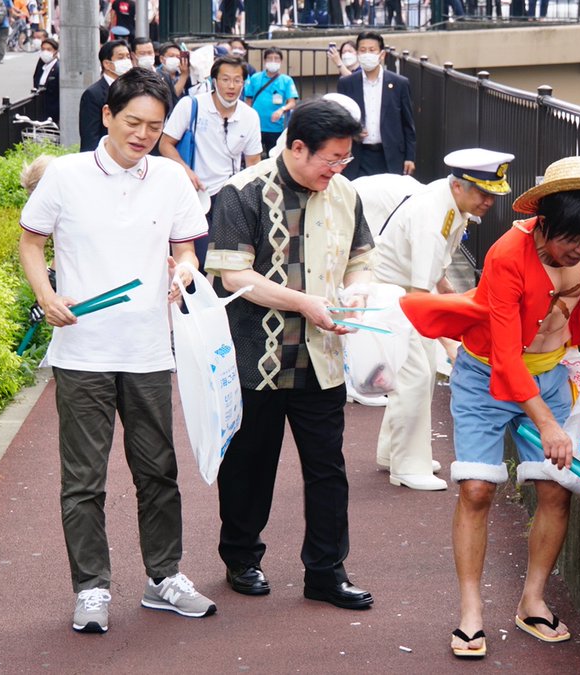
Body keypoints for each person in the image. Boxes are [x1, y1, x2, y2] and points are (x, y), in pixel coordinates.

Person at [400, 156, 580, 658]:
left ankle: (532, 600)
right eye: (572, 239)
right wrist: (549, 426)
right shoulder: (508, 254)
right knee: (477, 488)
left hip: (546, 375)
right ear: (545, 222)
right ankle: (470, 611)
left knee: (554, 489)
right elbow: (504, 355)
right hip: (484, 373)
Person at [18, 68, 216, 636]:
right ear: (107, 115)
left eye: (154, 126)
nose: (143, 135)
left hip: (151, 349)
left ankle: (164, 578)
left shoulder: (173, 181)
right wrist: (46, 294)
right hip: (82, 350)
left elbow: (186, 251)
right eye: (133, 122)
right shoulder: (66, 175)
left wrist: (183, 271)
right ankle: (92, 588)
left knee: (159, 471)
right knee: (83, 480)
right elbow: (31, 241)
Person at [203, 99, 376, 611]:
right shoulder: (243, 192)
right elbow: (233, 276)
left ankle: (326, 570)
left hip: (322, 355)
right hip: (256, 357)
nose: (339, 168)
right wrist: (305, 303)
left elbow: (362, 257)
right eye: (332, 159)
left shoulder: (345, 193)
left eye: (345, 159)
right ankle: (240, 558)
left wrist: (359, 291)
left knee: (328, 469)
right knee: (249, 466)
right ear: (296, 147)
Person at [372, 148, 514, 491]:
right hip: (394, 294)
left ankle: (394, 452)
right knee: (415, 375)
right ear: (459, 186)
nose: (488, 202)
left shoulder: (448, 202)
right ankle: (407, 466)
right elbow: (422, 297)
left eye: (493, 195)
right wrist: (453, 343)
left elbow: (438, 275)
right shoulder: (433, 218)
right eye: (482, 193)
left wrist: (453, 301)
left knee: (411, 373)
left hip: (402, 291)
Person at [158, 55, 261, 255]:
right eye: (225, 79)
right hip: (194, 193)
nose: (231, 86)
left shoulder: (250, 116)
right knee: (198, 256)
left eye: (237, 80)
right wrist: (185, 170)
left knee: (228, 257)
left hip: (230, 197)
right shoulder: (191, 106)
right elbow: (165, 144)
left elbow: (253, 163)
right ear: (214, 80)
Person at [337, 32, 415, 179]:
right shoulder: (346, 83)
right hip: (358, 156)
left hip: (390, 156)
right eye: (362, 50)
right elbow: (340, 119)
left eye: (372, 50)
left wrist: (409, 157)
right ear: (358, 53)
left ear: (382, 54)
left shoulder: (399, 83)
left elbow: (408, 123)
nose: (367, 54)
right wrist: (353, 131)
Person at [243, 48, 298, 157]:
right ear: (264, 61)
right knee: (253, 154)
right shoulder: (255, 78)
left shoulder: (286, 80)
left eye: (276, 59)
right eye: (270, 58)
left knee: (273, 155)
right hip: (256, 125)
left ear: (281, 62)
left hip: (275, 126)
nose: (273, 61)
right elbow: (248, 100)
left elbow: (292, 102)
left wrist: (281, 110)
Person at [78, 39, 130, 151]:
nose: (126, 61)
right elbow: (90, 138)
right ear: (107, 64)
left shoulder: (132, 89)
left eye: (128, 57)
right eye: (121, 57)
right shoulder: (93, 94)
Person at [33, 37, 59, 123]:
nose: (45, 52)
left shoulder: (58, 68)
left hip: (53, 110)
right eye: (43, 49)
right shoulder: (41, 64)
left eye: (49, 49)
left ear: (55, 51)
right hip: (41, 108)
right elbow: (36, 79)